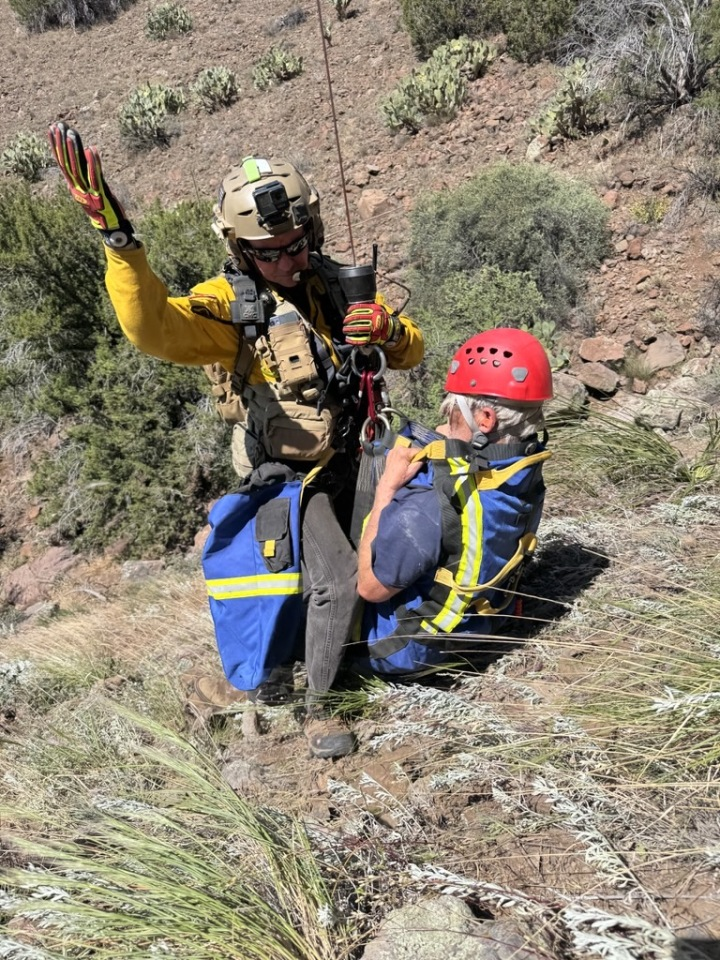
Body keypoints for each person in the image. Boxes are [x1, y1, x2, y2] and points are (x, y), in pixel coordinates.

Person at [48, 122, 424, 758]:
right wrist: (118, 242)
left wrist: (387, 329)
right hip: (289, 473)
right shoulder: (229, 307)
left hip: (360, 453)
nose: (286, 260)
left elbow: (410, 351)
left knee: (401, 537)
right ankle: (319, 709)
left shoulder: (335, 283)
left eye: (296, 244)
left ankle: (362, 649)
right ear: (240, 250)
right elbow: (153, 329)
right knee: (333, 575)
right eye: (268, 252)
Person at [357, 328, 552, 675]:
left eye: (453, 413)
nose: (445, 422)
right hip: (480, 627)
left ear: (485, 419)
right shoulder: (522, 469)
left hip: (409, 650)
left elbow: (370, 589)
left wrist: (386, 489)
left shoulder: (431, 503)